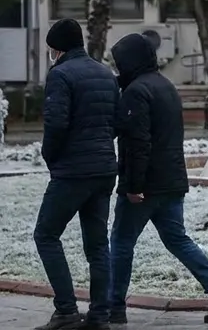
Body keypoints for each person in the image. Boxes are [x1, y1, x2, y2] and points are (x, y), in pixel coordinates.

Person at [107, 33, 208, 325]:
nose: (118, 69)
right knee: (177, 239)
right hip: (172, 181)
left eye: (119, 63)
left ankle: (113, 306)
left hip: (146, 186)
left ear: (130, 61)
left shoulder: (135, 93)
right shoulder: (164, 86)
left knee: (121, 241)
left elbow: (138, 143)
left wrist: (134, 186)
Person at [34, 19, 121, 330]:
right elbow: (115, 122)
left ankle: (66, 308)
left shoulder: (60, 75)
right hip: (104, 169)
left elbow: (55, 125)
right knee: (98, 244)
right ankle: (100, 316)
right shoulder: (105, 73)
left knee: (45, 234)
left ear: (57, 49)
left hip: (72, 171)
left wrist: (50, 156)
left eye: (50, 50)